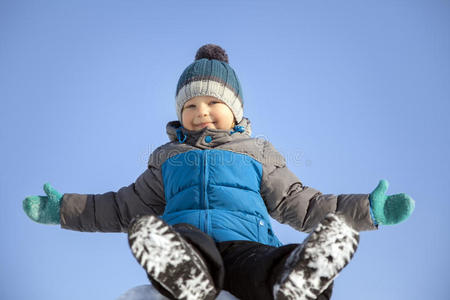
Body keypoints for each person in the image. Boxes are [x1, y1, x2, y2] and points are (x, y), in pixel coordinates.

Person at [23, 44, 415, 300]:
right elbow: (124, 206)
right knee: (184, 241)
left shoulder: (257, 152)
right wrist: (64, 209)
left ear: (237, 110)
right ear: (180, 114)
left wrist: (368, 210)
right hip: (189, 243)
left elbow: (304, 204)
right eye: (189, 106)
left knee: (267, 266)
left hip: (245, 244)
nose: (201, 112)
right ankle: (184, 277)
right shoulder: (167, 157)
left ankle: (299, 278)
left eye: (213, 101)